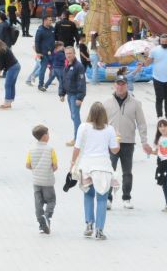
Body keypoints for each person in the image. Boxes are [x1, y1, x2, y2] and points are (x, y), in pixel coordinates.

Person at [70, 102, 120, 240]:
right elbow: (115, 150)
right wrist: (118, 139)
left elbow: (77, 147)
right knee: (102, 198)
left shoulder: (83, 127)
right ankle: (99, 230)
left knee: (88, 195)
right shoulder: (110, 129)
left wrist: (72, 163)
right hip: (103, 166)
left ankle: (89, 224)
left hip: (87, 166)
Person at [102, 76, 152, 209]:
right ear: (114, 85)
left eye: (123, 84)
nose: (120, 87)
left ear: (126, 86)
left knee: (127, 172)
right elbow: (102, 124)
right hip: (111, 144)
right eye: (118, 84)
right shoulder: (106, 103)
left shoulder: (135, 103)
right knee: (109, 171)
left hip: (128, 142)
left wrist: (144, 141)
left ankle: (126, 198)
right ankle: (108, 199)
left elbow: (141, 123)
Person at [26, 124, 58, 234]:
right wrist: (50, 170)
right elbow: (55, 166)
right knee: (51, 200)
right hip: (47, 181)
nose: (49, 136)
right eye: (48, 134)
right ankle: (47, 216)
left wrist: (36, 169)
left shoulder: (31, 150)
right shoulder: (50, 150)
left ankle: (41, 224)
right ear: (44, 136)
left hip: (36, 181)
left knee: (38, 203)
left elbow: (28, 165)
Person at [59, 46, 86, 144]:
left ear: (74, 54)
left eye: (70, 53)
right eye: (67, 53)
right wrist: (62, 93)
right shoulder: (67, 65)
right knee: (73, 117)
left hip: (75, 96)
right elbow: (63, 80)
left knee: (76, 117)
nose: (68, 55)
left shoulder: (79, 66)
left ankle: (77, 139)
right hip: (69, 95)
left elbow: (81, 83)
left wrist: (80, 98)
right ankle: (81, 135)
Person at [0, 38, 20, 109]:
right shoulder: (3, 47)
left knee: (7, 85)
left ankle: (7, 103)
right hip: (16, 65)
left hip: (12, 67)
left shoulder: (0, 52)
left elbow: (2, 66)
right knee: (11, 84)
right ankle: (9, 102)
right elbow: (3, 64)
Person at [30, 16, 55, 90]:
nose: (51, 22)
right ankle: (40, 85)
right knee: (43, 69)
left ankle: (49, 83)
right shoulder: (40, 30)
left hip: (52, 53)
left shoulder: (52, 28)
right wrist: (38, 52)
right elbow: (37, 42)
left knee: (54, 69)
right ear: (44, 21)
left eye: (51, 20)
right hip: (44, 54)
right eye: (49, 20)